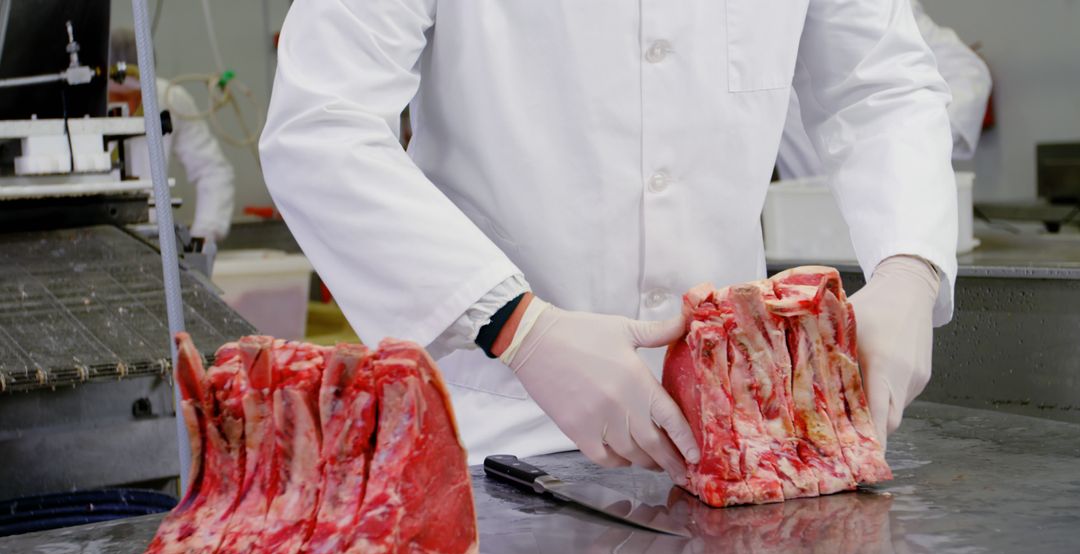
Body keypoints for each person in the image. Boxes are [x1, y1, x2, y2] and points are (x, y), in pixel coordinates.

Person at [260, 2, 958, 482]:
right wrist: (517, 327)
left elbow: (880, 88)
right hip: (495, 436)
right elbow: (321, 123)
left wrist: (908, 268)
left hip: (742, 430)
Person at [778, 0, 992, 179]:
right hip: (800, 210)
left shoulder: (875, 12)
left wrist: (909, 146)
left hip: (894, 199)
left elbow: (970, 74)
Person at [108, 28, 236, 244]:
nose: (127, 107)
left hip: (153, 240)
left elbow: (213, 170)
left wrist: (205, 233)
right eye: (117, 96)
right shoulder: (78, 106)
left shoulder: (169, 99)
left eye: (134, 96)